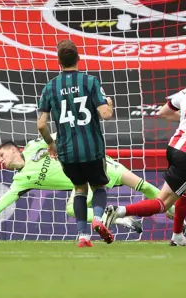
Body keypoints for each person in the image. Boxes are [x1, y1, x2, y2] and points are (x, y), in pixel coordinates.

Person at [104, 61, 186, 246]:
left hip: (174, 147)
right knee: (163, 203)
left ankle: (178, 235)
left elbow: (163, 112)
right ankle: (119, 211)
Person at [0, 136, 181, 234]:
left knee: (144, 186)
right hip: (82, 185)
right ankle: (121, 219)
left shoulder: (35, 146)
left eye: (1, 155)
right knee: (71, 209)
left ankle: (176, 216)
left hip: (100, 166)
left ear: (13, 149)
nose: (1, 161)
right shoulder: (19, 182)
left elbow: (58, 135)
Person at [35, 40, 114, 247]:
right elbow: (105, 114)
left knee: (79, 188)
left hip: (66, 150)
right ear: (78, 59)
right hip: (92, 148)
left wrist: (51, 144)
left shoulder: (50, 87)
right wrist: (110, 105)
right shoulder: (90, 81)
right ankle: (97, 219)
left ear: (58, 62)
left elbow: (41, 124)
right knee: (98, 186)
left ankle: (83, 236)